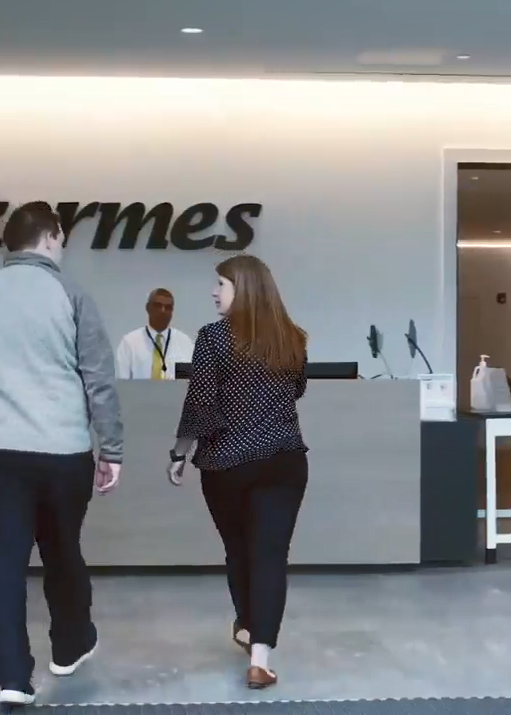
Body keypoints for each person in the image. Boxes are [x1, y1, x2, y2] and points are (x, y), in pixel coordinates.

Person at [0, 202, 123, 707]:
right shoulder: (70, 293)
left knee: (4, 559)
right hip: (63, 450)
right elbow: (99, 379)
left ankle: (12, 679)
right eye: (61, 240)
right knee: (62, 548)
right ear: (51, 237)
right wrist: (110, 448)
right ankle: (69, 647)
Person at [165, 254, 309, 690]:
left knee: (239, 548)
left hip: (227, 463)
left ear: (242, 289)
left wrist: (180, 450)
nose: (214, 291)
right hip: (284, 459)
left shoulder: (212, 339)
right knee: (270, 555)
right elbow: (297, 389)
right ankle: (260, 657)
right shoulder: (292, 338)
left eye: (221, 285)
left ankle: (248, 624)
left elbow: (201, 402)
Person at [114, 288, 195, 379]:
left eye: (168, 307)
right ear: (148, 308)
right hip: (139, 393)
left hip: (174, 393)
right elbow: (122, 384)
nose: (163, 311)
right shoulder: (130, 343)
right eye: (158, 306)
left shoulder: (185, 343)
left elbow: (186, 383)